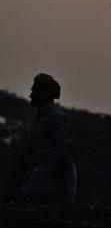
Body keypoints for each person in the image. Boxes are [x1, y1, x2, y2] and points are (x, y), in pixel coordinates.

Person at [22, 73, 77, 203]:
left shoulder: (54, 117)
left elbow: (62, 153)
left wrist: (64, 191)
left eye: (34, 91)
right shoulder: (46, 116)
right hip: (45, 177)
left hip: (51, 181)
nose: (31, 96)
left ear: (44, 94)